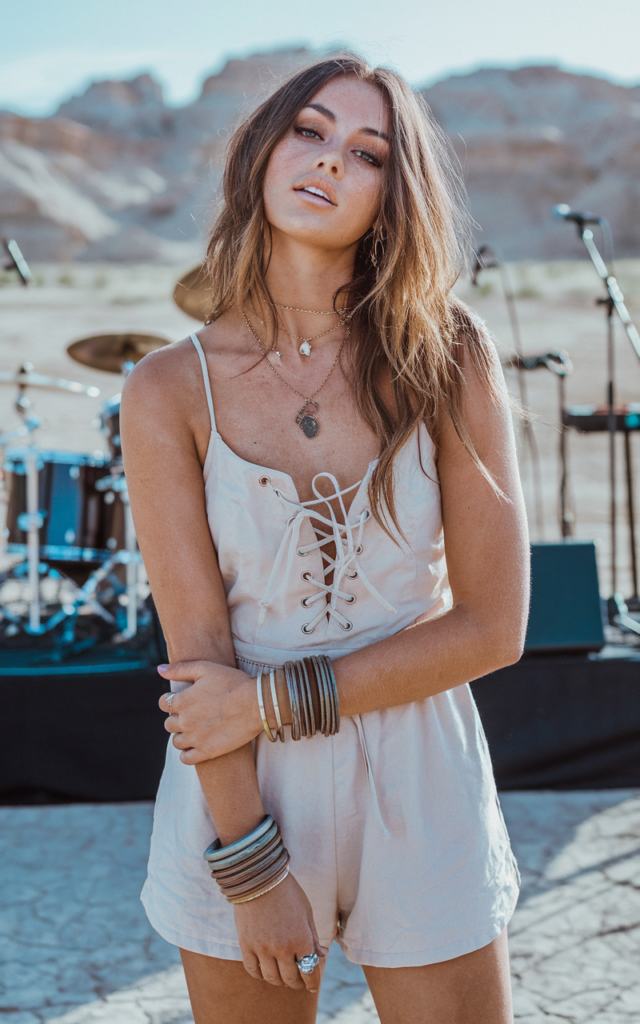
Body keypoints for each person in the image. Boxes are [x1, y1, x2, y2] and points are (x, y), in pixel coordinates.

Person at [121, 54, 529, 1024]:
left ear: (394, 193)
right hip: (240, 793)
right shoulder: (167, 388)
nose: (329, 161)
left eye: (367, 151)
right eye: (308, 130)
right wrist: (249, 866)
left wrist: (266, 700)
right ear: (262, 148)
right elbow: (197, 658)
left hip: (420, 769)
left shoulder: (449, 354)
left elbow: (492, 626)